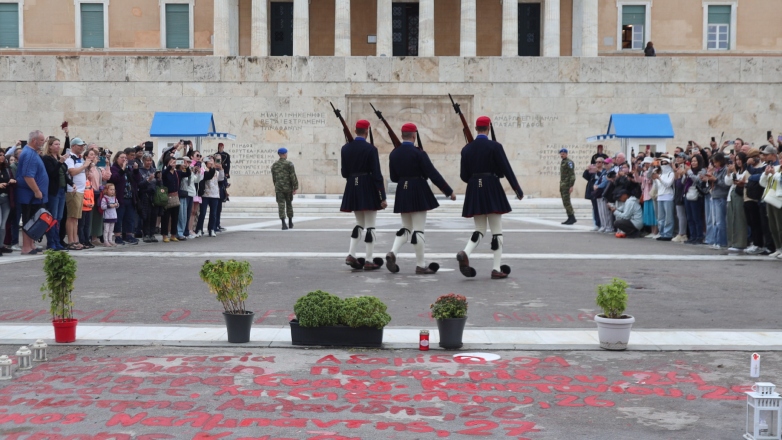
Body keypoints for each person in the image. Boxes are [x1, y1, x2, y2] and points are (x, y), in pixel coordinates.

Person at [455, 116, 522, 279]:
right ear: (489, 128)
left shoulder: (466, 149)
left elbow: (464, 175)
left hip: (474, 188)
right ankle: (496, 268)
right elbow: (506, 169)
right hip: (491, 186)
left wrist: (475, 180)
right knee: (497, 231)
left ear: (476, 129)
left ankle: (466, 252)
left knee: (479, 229)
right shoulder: (495, 146)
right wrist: (516, 188)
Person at [385, 123, 455, 275]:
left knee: (406, 227)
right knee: (418, 229)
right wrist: (448, 191)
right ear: (414, 136)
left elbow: (394, 177)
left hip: (402, 190)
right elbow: (432, 173)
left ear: (402, 135)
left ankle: (393, 252)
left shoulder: (394, 153)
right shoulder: (419, 153)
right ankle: (421, 265)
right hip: (417, 189)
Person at [340, 120, 388, 270]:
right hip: (367, 185)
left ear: (355, 131)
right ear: (367, 131)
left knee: (359, 223)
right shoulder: (370, 149)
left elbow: (344, 173)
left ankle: (351, 254)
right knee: (370, 226)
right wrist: (382, 196)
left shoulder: (345, 148)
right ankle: (368, 260)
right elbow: (377, 174)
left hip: (352, 186)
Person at [15, 130, 49, 255]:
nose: (43, 142)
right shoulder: (29, 154)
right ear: (34, 140)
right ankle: (26, 247)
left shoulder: (32, 152)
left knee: (34, 220)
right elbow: (28, 175)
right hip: (29, 195)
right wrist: (37, 190)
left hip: (33, 196)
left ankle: (31, 244)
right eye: (41, 140)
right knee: (29, 220)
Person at [41, 137, 68, 251]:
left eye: (59, 144)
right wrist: (60, 162)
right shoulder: (47, 158)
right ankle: (51, 242)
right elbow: (52, 173)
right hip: (53, 191)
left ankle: (57, 241)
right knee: (53, 217)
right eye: (56, 144)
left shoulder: (58, 157)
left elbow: (63, 173)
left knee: (60, 217)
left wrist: (71, 183)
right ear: (50, 146)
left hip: (62, 190)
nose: (58, 146)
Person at [108, 151, 140, 245]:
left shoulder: (129, 168)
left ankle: (128, 235)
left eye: (125, 158)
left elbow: (137, 180)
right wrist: (122, 169)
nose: (124, 159)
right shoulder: (113, 168)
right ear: (116, 158)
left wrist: (136, 170)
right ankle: (118, 236)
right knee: (119, 217)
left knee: (129, 218)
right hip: (119, 197)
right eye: (122, 157)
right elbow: (114, 179)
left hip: (130, 197)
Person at [64, 137, 89, 251]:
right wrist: (84, 166)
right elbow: (72, 172)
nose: (82, 147)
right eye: (80, 145)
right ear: (73, 146)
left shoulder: (79, 158)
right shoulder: (70, 158)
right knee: (71, 217)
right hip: (73, 190)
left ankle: (75, 239)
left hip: (80, 190)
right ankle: (71, 241)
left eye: (83, 146)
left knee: (76, 217)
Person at [703, 152, 730, 249]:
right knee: (714, 221)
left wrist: (715, 180)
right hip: (714, 195)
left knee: (720, 221)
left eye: (715, 162)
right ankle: (716, 240)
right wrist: (709, 179)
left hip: (721, 197)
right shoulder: (716, 170)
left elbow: (726, 184)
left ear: (720, 161)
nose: (714, 164)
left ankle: (721, 242)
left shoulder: (725, 170)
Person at [160, 156, 190, 243]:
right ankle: (164, 235)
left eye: (174, 162)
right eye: (171, 162)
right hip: (167, 196)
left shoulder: (177, 172)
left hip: (176, 196)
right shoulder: (165, 172)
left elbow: (187, 174)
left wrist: (186, 166)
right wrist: (170, 166)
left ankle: (173, 235)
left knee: (175, 217)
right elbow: (163, 175)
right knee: (165, 217)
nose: (173, 163)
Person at [759, 152, 782, 259]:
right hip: (770, 199)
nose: (781, 161)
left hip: (779, 200)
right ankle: (778, 248)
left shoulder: (776, 172)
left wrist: (774, 174)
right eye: (780, 159)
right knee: (773, 226)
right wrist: (765, 173)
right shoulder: (776, 168)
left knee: (780, 226)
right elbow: (763, 183)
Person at [270, 148, 298, 230]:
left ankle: (283, 224)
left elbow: (274, 178)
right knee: (289, 204)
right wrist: (295, 187)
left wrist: (276, 185)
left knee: (281, 205)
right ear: (285, 154)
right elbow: (293, 176)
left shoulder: (274, 165)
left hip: (279, 188)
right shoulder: (289, 164)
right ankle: (290, 222)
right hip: (288, 188)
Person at [725, 153, 749, 252]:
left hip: (740, 196)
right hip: (731, 196)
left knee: (739, 220)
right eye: (736, 160)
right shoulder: (738, 171)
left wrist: (734, 172)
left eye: (740, 159)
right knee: (731, 220)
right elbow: (728, 182)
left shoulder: (746, 171)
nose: (738, 162)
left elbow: (739, 182)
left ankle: (740, 243)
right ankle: (732, 242)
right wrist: (728, 172)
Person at [196, 156, 222, 237]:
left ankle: (211, 229)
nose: (211, 162)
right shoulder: (204, 170)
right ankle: (199, 229)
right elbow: (207, 176)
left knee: (213, 213)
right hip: (205, 194)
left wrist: (221, 169)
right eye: (209, 160)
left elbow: (221, 179)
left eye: (212, 160)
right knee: (202, 213)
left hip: (215, 194)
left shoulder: (216, 172)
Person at [137, 153, 160, 243]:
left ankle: (152, 234)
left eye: (150, 160)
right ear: (143, 161)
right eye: (147, 160)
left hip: (154, 195)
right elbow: (139, 184)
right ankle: (146, 234)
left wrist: (159, 179)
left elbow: (159, 184)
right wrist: (148, 180)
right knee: (146, 215)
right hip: (145, 195)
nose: (149, 162)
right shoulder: (140, 171)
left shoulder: (154, 170)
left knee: (154, 215)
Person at [683, 155, 706, 244]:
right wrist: (685, 174)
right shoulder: (690, 171)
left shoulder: (702, 170)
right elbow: (683, 182)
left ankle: (699, 236)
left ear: (699, 162)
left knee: (697, 217)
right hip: (687, 194)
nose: (693, 163)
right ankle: (692, 236)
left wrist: (689, 172)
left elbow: (697, 180)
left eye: (695, 161)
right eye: (692, 161)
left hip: (696, 196)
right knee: (689, 218)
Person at [0, 153, 15, 255]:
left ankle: (1, 245)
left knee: (3, 224)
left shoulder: (6, 169)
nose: (2, 157)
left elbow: (9, 178)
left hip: (6, 198)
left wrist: (11, 180)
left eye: (2, 155)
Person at [559, 148, 576, 224]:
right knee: (565, 202)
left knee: (567, 202)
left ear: (566, 154)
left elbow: (572, 175)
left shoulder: (569, 162)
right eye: (561, 154)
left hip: (567, 185)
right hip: (563, 185)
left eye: (563, 154)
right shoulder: (563, 162)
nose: (561, 155)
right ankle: (570, 217)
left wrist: (571, 186)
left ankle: (572, 217)